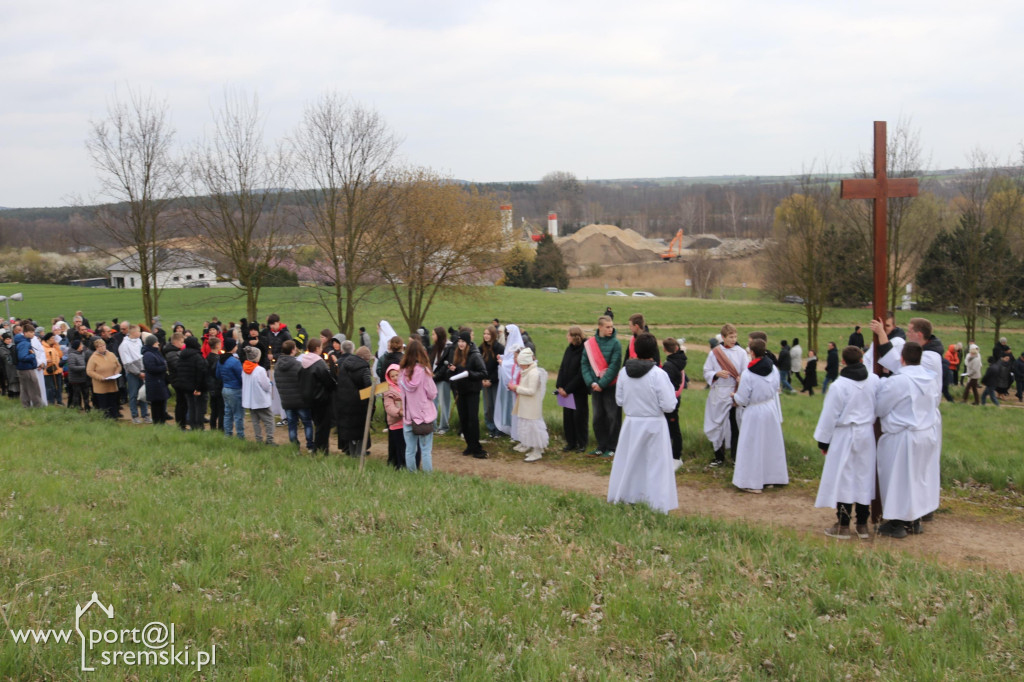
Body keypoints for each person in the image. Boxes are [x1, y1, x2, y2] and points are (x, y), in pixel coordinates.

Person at [606, 332, 678, 514]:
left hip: (632, 423)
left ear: (635, 350)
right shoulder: (658, 374)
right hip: (654, 425)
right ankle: (655, 503)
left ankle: (627, 496)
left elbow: (619, 400)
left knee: (630, 463)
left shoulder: (624, 373)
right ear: (654, 351)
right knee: (654, 465)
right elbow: (669, 405)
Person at [875, 342, 940, 538]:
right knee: (917, 479)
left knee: (898, 479)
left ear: (902, 358)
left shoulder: (898, 381)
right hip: (926, 434)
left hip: (904, 436)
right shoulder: (930, 378)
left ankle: (897, 523)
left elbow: (880, 408)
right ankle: (914, 520)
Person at [814, 346, 879, 539]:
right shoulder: (874, 380)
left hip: (844, 435)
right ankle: (862, 524)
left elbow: (829, 415)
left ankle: (843, 525)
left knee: (845, 478)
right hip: (866, 434)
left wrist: (823, 442)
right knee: (863, 476)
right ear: (861, 360)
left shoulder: (838, 386)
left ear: (843, 362)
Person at [731, 338, 788, 494]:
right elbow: (776, 387)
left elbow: (743, 399)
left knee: (752, 446)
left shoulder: (748, 374)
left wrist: (734, 396)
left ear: (752, 353)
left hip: (754, 411)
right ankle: (770, 477)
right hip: (770, 408)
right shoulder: (773, 369)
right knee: (769, 444)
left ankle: (751, 482)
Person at [702, 323, 747, 467]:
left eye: (735, 337)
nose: (733, 340)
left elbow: (746, 372)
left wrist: (741, 378)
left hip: (734, 394)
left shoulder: (741, 353)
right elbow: (706, 371)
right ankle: (719, 457)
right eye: (730, 337)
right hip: (718, 393)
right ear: (723, 337)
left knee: (735, 425)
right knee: (718, 425)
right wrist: (716, 373)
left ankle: (735, 458)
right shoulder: (715, 353)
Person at [582, 315, 623, 459]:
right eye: (607, 327)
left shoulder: (616, 344)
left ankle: (612, 447)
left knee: (613, 417)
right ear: (600, 327)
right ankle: (601, 446)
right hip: (595, 387)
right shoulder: (590, 344)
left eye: (612, 326)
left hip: (610, 387)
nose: (610, 329)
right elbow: (584, 364)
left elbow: (614, 366)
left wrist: (602, 383)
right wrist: (591, 382)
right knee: (598, 418)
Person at [399, 340, 438, 472]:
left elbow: (402, 393)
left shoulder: (402, 373)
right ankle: (427, 477)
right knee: (426, 450)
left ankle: (411, 475)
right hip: (424, 416)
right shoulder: (424, 372)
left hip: (408, 416)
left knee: (410, 450)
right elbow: (432, 393)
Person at [448, 329, 488, 457]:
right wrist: (453, 370)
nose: (460, 344)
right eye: (459, 341)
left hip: (472, 391)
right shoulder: (457, 354)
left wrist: (469, 373)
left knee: (472, 419)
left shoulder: (475, 355)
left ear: (468, 342)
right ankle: (469, 445)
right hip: (461, 391)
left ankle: (476, 447)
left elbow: (483, 373)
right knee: (463, 419)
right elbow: (458, 371)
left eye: (463, 341)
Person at [333, 339, 372, 457]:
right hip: (359, 404)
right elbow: (368, 387)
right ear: (365, 358)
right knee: (360, 431)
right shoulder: (364, 368)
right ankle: (359, 455)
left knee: (350, 432)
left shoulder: (344, 365)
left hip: (344, 401)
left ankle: (352, 454)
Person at [509, 347, 548, 462]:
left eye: (521, 363)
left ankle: (538, 451)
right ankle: (534, 448)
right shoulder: (527, 372)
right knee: (529, 428)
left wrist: (516, 388)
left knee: (534, 428)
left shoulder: (533, 373)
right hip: (526, 405)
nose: (519, 365)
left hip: (532, 407)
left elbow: (531, 391)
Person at [276, 340, 314, 451]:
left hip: (286, 400)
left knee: (292, 424)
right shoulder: (298, 365)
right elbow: (305, 381)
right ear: (293, 350)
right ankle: (310, 445)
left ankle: (294, 447)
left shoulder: (277, 365)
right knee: (307, 423)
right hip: (300, 400)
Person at [556, 326, 588, 453]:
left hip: (578, 391)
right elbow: (563, 367)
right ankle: (571, 442)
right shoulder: (569, 349)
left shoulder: (584, 350)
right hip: (565, 391)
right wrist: (559, 386)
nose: (567, 337)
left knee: (579, 417)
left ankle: (582, 443)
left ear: (574, 336)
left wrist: (568, 389)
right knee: (568, 417)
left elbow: (581, 374)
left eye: (568, 335)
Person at [494, 324, 524, 438]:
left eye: (508, 334)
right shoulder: (510, 344)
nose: (506, 336)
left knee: (514, 408)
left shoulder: (518, 346)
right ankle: (512, 430)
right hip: (510, 383)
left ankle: (517, 433)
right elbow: (509, 358)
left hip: (516, 384)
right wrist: (502, 357)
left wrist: (503, 363)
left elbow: (515, 364)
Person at [660, 337, 687, 465]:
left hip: (670, 398)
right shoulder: (680, 360)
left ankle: (676, 456)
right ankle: (673, 454)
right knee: (673, 426)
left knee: (673, 427)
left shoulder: (669, 365)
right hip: (676, 397)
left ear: (664, 349)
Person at [242, 345, 274, 444]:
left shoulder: (244, 368)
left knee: (255, 421)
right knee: (269, 420)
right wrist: (270, 384)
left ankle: (258, 439)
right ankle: (269, 440)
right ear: (257, 357)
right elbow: (265, 386)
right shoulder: (260, 370)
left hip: (250, 400)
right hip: (260, 399)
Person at [174, 336, 208, 430]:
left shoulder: (182, 356)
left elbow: (179, 370)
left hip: (186, 387)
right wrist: (199, 388)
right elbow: (201, 372)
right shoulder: (197, 356)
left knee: (191, 407)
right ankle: (199, 427)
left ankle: (193, 426)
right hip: (196, 387)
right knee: (199, 408)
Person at [119, 325, 149, 423]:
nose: (140, 333)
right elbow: (127, 363)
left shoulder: (139, 341)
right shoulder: (124, 345)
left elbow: (141, 356)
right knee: (133, 394)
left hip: (142, 371)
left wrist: (143, 370)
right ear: (133, 333)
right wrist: (138, 373)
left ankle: (145, 414)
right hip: (132, 373)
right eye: (138, 331)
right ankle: (134, 415)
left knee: (143, 393)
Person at [86, 338, 122, 419]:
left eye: (104, 345)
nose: (103, 347)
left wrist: (117, 371)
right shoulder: (93, 358)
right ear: (96, 348)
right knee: (104, 405)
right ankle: (105, 419)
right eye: (100, 346)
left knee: (113, 402)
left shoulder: (111, 354)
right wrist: (100, 377)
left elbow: (118, 365)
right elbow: (89, 371)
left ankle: (114, 417)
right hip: (101, 386)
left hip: (112, 384)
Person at [479, 325, 505, 439]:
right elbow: (479, 364)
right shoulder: (481, 348)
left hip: (495, 382)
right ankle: (491, 428)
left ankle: (499, 429)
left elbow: (499, 367)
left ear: (493, 335)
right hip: (484, 381)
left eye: (488, 334)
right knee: (488, 407)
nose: (486, 336)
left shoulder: (499, 348)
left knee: (496, 406)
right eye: (484, 333)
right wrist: (483, 378)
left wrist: (491, 380)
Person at [217, 338, 245, 439]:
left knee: (228, 413)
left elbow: (218, 375)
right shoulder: (235, 361)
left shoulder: (220, 360)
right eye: (236, 346)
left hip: (225, 388)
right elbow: (241, 377)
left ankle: (228, 434)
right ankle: (240, 435)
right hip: (235, 389)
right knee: (238, 414)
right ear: (233, 347)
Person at [428, 326, 454, 435]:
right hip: (432, 379)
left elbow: (446, 365)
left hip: (443, 379)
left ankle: (444, 426)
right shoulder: (433, 348)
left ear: (439, 335)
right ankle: (432, 426)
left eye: (434, 334)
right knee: (432, 403)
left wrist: (436, 375)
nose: (432, 336)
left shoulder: (449, 347)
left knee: (444, 403)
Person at [382, 364, 407, 469]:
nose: (395, 378)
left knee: (407, 446)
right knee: (397, 446)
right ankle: (398, 465)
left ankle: (406, 465)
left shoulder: (406, 386)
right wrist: (399, 412)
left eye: (397, 375)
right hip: (396, 422)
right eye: (392, 376)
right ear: (389, 377)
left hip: (407, 422)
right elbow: (389, 406)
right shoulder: (388, 390)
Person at [141, 335, 170, 424]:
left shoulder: (155, 352)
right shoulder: (148, 354)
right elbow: (151, 368)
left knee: (162, 402)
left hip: (160, 382)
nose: (158, 343)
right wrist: (164, 368)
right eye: (156, 341)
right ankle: (157, 423)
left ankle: (162, 422)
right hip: (154, 383)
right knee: (156, 404)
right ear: (152, 343)